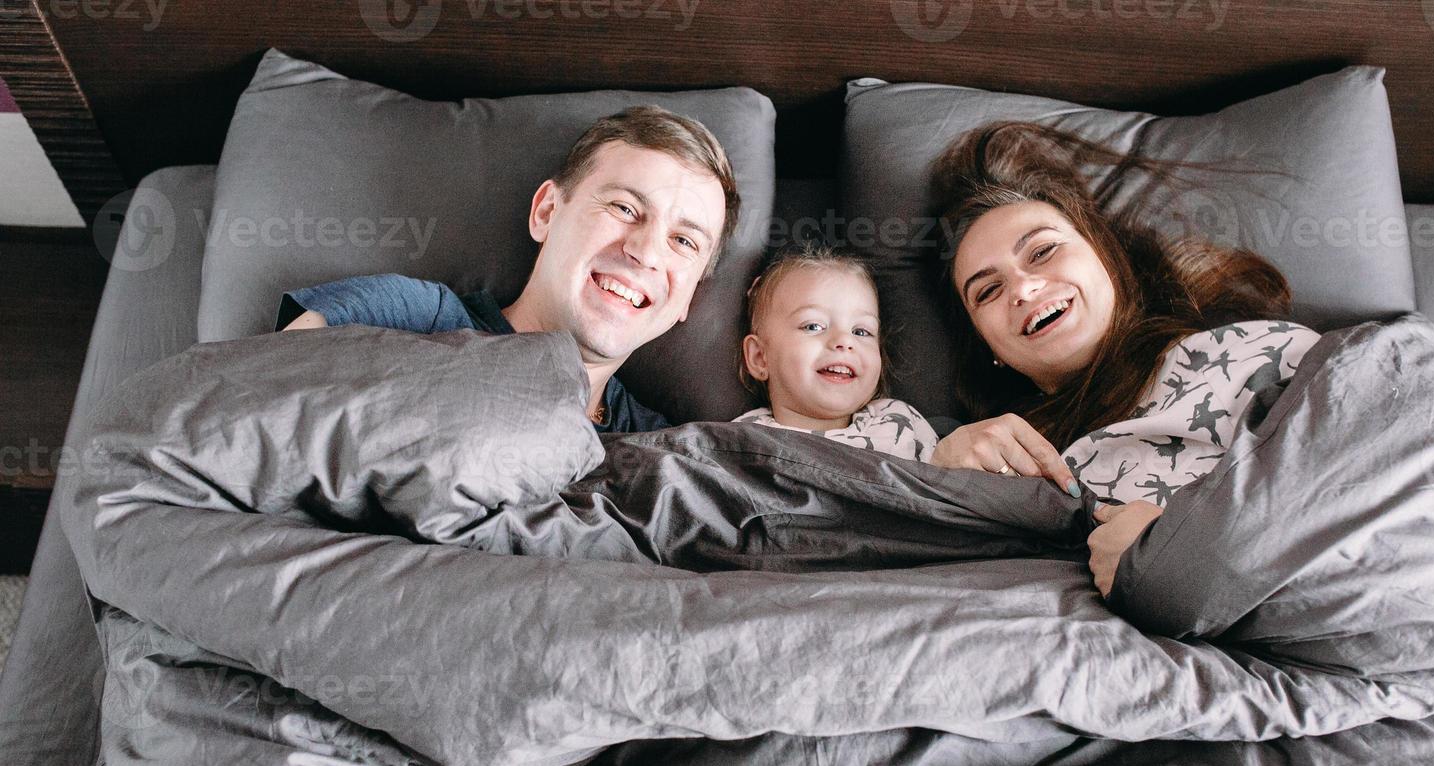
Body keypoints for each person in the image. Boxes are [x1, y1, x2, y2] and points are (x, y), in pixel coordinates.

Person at [929, 122, 1319, 598]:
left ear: (1105, 256)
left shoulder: (1255, 351)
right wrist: (939, 483)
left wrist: (1177, 554)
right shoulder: (1022, 470)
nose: (1024, 288)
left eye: (1043, 251)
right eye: (988, 290)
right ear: (990, 350)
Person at [280, 105, 741, 434]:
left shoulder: (662, 453)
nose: (646, 252)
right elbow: (264, 400)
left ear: (689, 296)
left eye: (683, 241)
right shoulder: (406, 315)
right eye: (624, 208)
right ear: (546, 212)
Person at [734, 244, 938, 462]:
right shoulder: (741, 440)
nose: (845, 341)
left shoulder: (899, 423)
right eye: (813, 326)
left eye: (861, 331)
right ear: (760, 357)